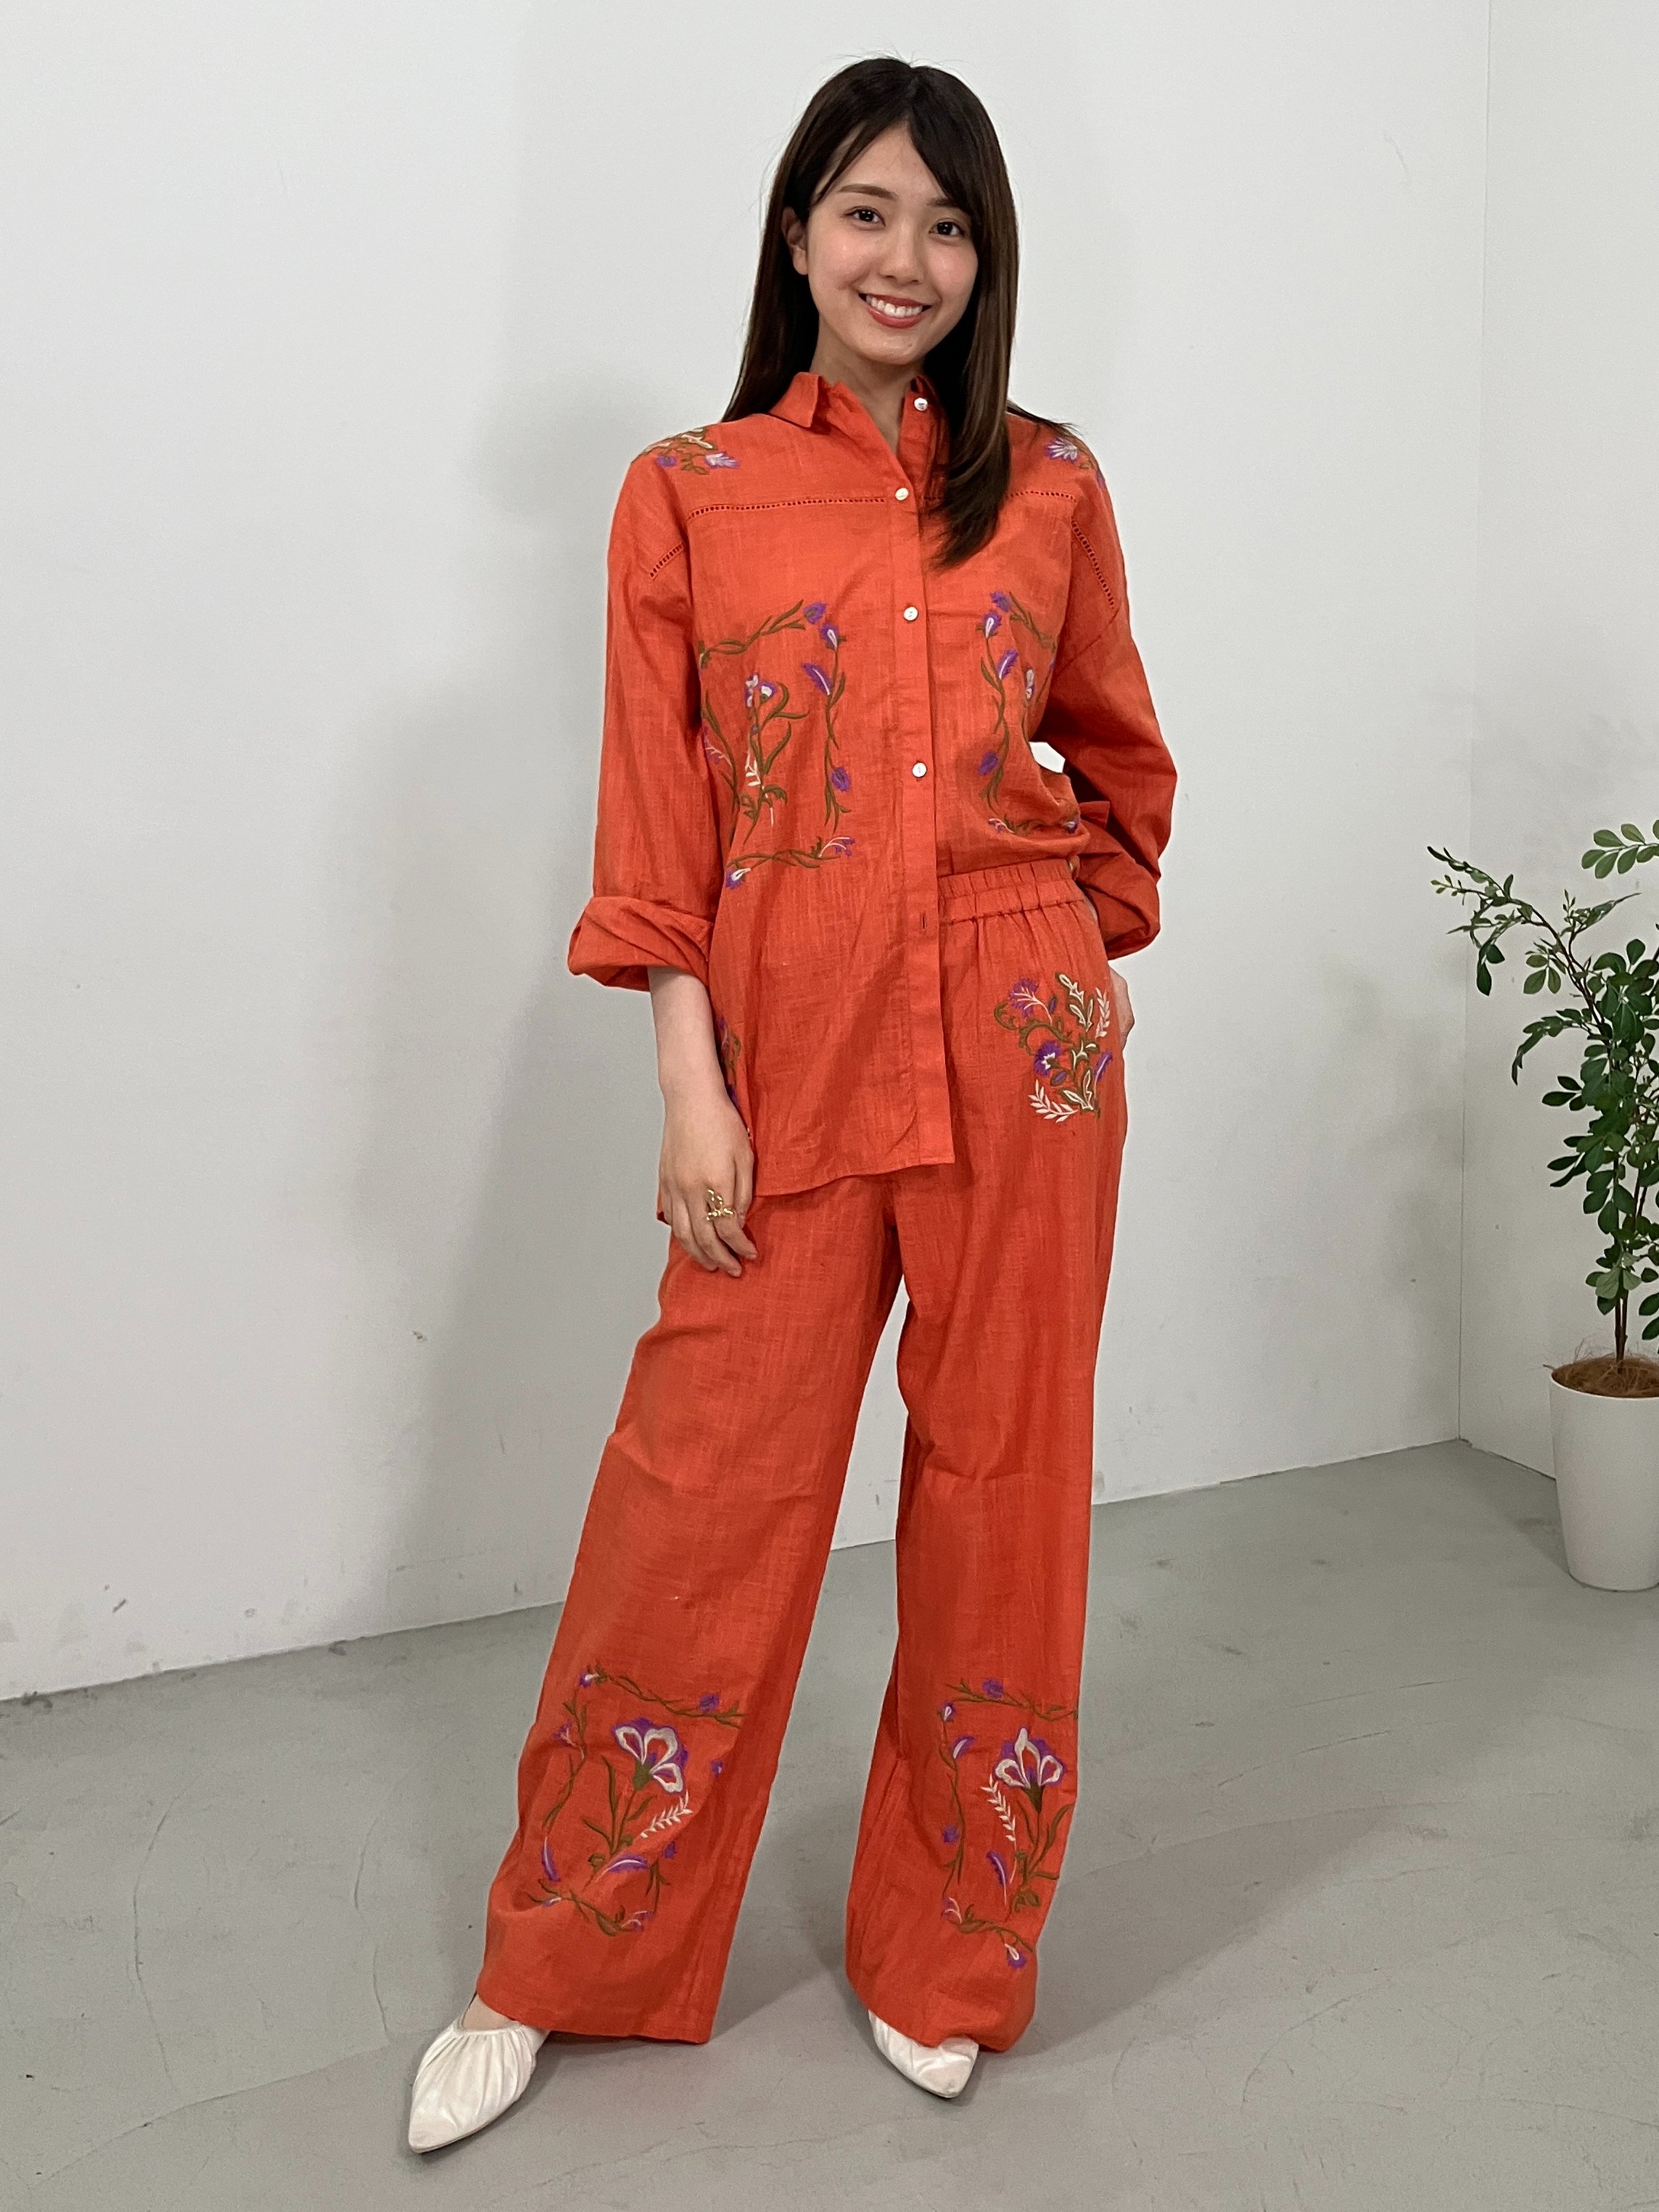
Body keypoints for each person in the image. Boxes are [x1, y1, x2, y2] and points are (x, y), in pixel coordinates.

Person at [408, 54, 1176, 2152]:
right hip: (781, 1048)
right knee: (705, 1491)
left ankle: (951, 1955)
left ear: (985, 260)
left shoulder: (1052, 486)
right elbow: (659, 826)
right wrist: (692, 1077)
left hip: (1021, 1055)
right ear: (797, 232)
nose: (906, 259)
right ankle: (560, 1951)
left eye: (949, 225)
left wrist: (1065, 950)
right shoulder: (691, 491)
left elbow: (1122, 761)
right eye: (868, 212)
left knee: (1005, 1487)